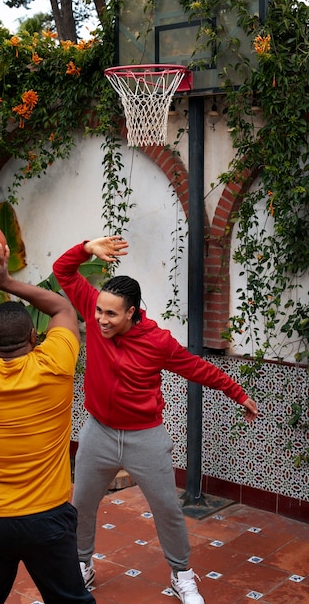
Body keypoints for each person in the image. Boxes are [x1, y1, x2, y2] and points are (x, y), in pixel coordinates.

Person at [53, 236, 258, 604]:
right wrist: (86, 248)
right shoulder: (91, 308)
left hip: (144, 437)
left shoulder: (158, 342)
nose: (100, 319)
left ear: (132, 312)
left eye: (111, 314)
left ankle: (182, 574)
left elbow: (198, 369)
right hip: (98, 432)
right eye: (99, 311)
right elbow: (62, 271)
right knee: (81, 503)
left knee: (166, 508)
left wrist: (238, 393)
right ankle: (81, 565)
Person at [0, 242, 96, 604]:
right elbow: (62, 307)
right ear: (34, 338)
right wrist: (4, 281)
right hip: (47, 519)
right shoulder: (55, 364)